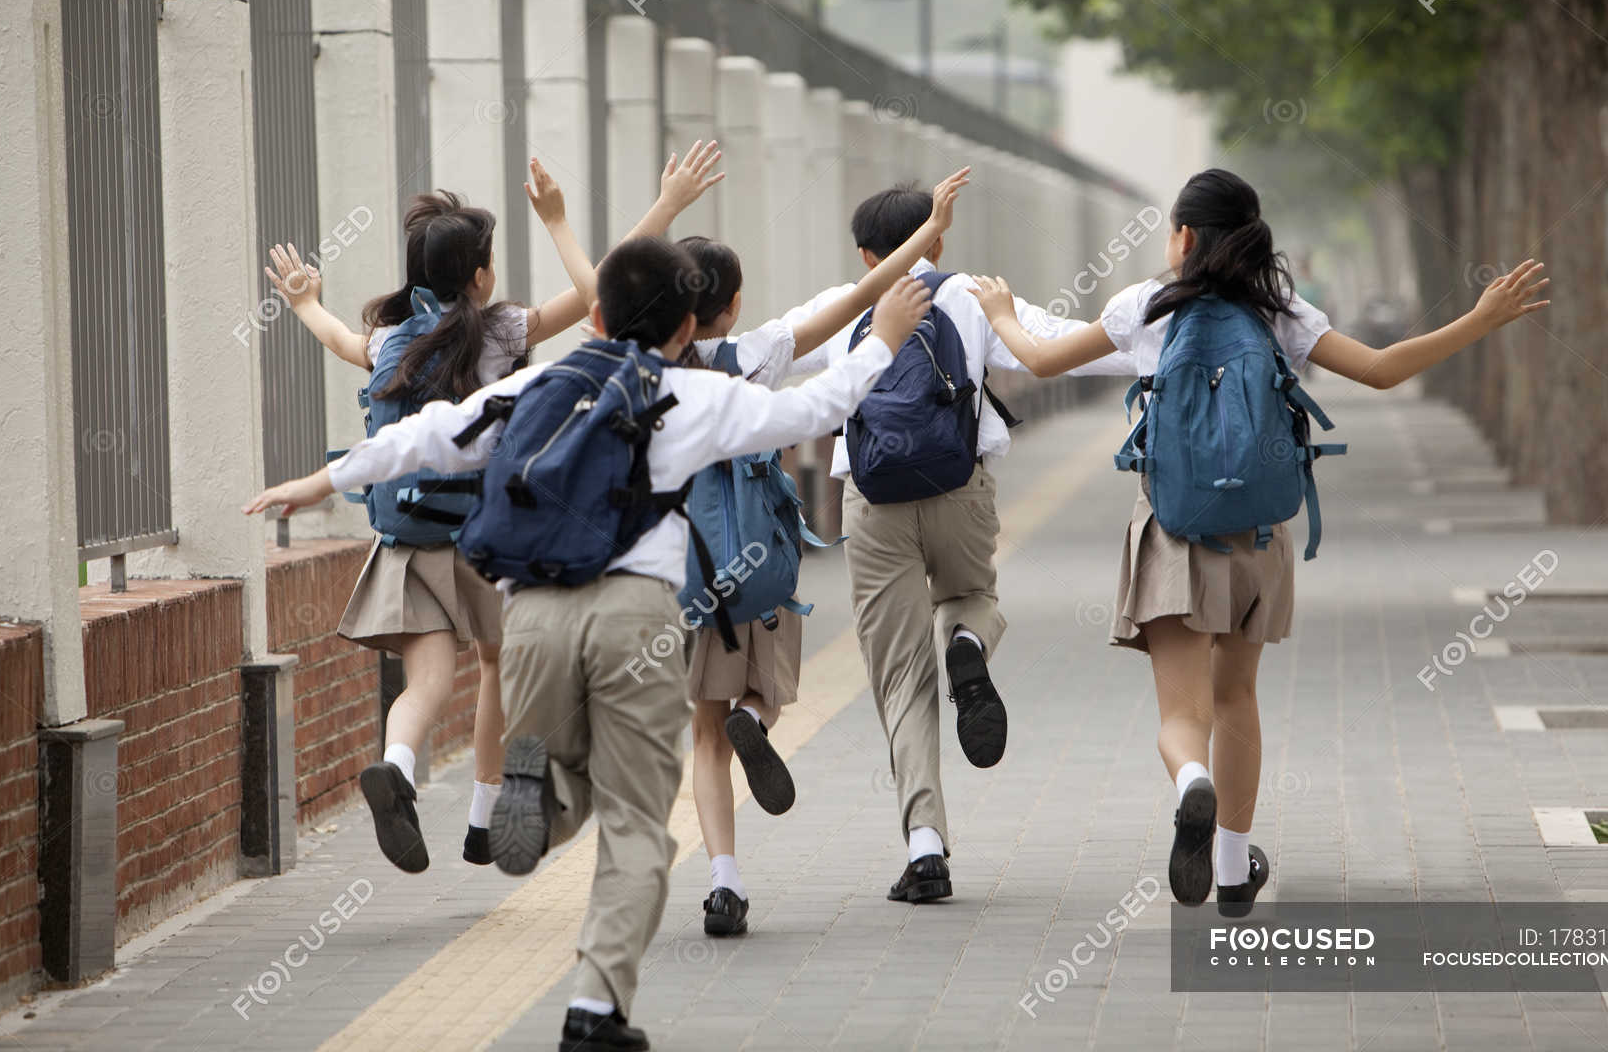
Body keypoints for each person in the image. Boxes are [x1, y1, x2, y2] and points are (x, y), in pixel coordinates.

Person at [245, 240, 933, 1052]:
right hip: (634, 618)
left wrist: (322, 482)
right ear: (685, 327)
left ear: (598, 316)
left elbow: (432, 433)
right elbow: (813, 410)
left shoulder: (539, 383)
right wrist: (883, 333)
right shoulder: (690, 394)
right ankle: (596, 1011)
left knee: (562, 775)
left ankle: (536, 794)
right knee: (639, 823)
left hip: (530, 614)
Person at [969, 167, 1548, 915]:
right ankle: (1236, 867)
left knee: (1182, 717)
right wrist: (1478, 320)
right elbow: (1378, 371)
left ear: (1183, 236)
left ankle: (1191, 784)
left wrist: (1001, 309)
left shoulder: (1143, 306)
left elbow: (1040, 359)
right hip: (1257, 537)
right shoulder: (1280, 311)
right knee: (1236, 696)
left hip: (1173, 530)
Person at [259, 144, 724, 873]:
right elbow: (605, 294)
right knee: (497, 667)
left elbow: (339, 338)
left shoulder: (387, 338)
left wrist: (304, 300)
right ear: (479, 276)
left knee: (427, 680)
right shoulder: (504, 331)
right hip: (483, 537)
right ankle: (482, 817)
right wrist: (661, 208)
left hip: (407, 539)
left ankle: (400, 766)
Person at [778, 182, 1125, 904]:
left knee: (901, 678)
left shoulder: (842, 307)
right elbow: (1067, 348)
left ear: (866, 254)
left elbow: (764, 360)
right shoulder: (972, 295)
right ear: (935, 243)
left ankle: (926, 847)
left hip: (873, 501)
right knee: (972, 599)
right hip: (959, 487)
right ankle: (966, 645)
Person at [661, 168, 971, 937]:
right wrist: (926, 241)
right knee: (766, 687)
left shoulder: (646, 373)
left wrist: (659, 209)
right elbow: (853, 304)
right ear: (730, 305)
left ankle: (724, 882)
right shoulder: (753, 354)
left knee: (702, 732)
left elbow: (598, 292)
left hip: (688, 572)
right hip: (760, 560)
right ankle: (759, 722)